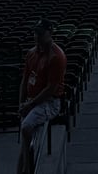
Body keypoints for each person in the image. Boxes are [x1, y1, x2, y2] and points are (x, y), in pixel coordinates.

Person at [18, 18, 66, 174]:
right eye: (35, 33)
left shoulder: (56, 56)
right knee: (26, 132)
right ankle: (23, 166)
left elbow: (51, 89)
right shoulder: (32, 53)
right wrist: (21, 104)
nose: (36, 36)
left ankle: (27, 168)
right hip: (32, 101)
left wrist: (29, 106)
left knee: (26, 127)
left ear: (50, 33)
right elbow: (24, 80)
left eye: (40, 33)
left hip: (49, 102)